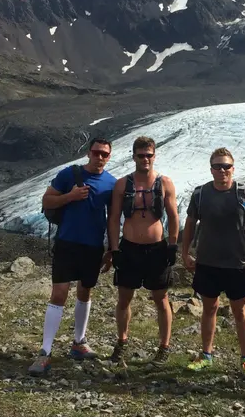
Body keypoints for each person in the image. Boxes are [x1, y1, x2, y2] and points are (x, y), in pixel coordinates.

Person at [28, 138, 116, 376]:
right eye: (96, 152)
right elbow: (47, 201)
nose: (100, 157)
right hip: (67, 243)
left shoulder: (111, 183)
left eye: (104, 154)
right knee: (59, 293)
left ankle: (79, 342)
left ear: (109, 157)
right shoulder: (69, 174)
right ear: (89, 153)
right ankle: (45, 351)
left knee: (85, 290)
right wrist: (71, 196)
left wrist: (111, 248)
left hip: (93, 246)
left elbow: (112, 218)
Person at [182, 147, 245, 379]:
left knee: (240, 311)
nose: (222, 170)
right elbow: (190, 223)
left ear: (233, 168)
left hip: (238, 263)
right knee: (209, 309)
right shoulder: (200, 194)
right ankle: (206, 355)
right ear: (211, 169)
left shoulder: (244, 194)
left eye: (226, 166)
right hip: (208, 262)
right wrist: (185, 252)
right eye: (217, 166)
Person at [108, 136, 179, 366]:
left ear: (154, 156)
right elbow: (114, 218)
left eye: (149, 155)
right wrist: (115, 248)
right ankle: (122, 341)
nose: (145, 159)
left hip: (156, 249)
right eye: (141, 155)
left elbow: (174, 216)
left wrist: (172, 245)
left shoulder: (164, 183)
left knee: (161, 298)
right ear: (134, 156)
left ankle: (164, 346)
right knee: (124, 297)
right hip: (129, 249)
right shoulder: (123, 184)